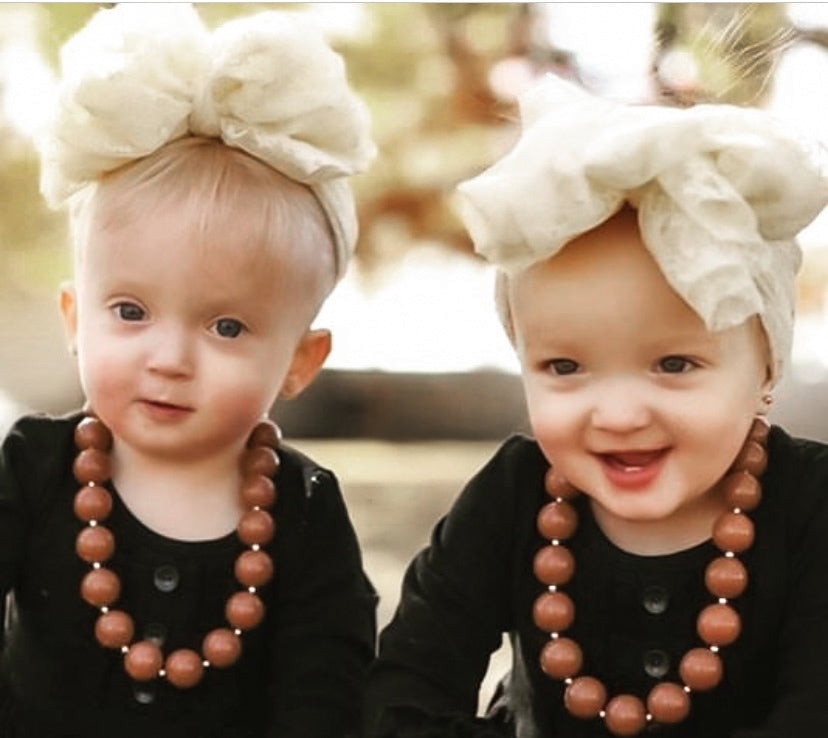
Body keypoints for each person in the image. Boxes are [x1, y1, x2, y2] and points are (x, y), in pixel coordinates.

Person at [365, 76, 828, 738]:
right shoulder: (517, 492)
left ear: (767, 369)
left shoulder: (808, 505)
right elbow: (409, 688)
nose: (617, 414)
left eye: (674, 365)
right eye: (564, 367)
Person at [0, 4, 377, 737]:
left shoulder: (301, 508)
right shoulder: (34, 469)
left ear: (300, 362)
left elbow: (326, 687)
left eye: (227, 326)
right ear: (77, 320)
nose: (168, 360)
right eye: (131, 313)